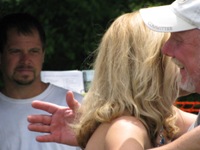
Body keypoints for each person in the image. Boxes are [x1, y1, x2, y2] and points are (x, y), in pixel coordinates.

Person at [28, 11, 197, 149]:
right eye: (171, 45)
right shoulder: (125, 127)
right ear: (149, 68)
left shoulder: (149, 119)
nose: (173, 55)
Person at [0, 12, 83, 150]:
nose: (25, 60)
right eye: (15, 51)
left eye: (34, 51)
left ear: (43, 55)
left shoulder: (77, 108)